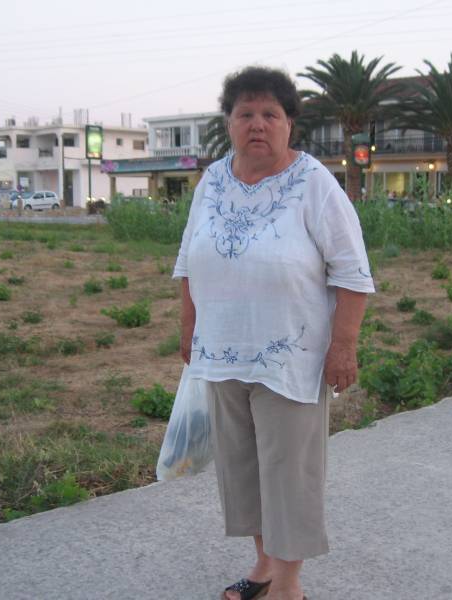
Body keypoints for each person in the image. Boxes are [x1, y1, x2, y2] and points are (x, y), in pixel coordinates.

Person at [173, 66, 374, 600]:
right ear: (229, 123)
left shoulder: (313, 182)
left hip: (291, 357)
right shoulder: (212, 180)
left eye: (270, 114)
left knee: (289, 474)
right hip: (222, 352)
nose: (257, 124)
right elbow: (189, 261)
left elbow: (353, 273)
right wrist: (189, 329)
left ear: (289, 124)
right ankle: (264, 567)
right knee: (242, 469)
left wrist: (344, 346)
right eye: (245, 114)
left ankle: (288, 586)